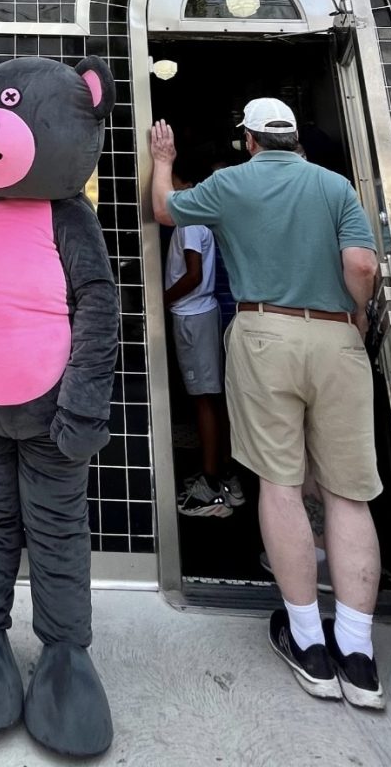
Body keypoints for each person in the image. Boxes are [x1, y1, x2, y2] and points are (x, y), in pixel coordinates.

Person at [151, 98, 384, 711]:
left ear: (249, 139)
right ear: (294, 138)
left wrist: (161, 159)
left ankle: (308, 642)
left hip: (262, 331)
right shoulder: (335, 186)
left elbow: (163, 209)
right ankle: (357, 656)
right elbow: (362, 263)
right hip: (336, 335)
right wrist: (356, 316)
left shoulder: (231, 182)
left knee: (280, 485)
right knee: (348, 493)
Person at [164, 162, 243, 517]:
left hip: (193, 316)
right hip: (200, 314)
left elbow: (193, 275)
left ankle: (212, 485)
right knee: (210, 398)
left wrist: (161, 300)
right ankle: (224, 476)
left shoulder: (189, 220)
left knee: (204, 400)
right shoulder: (197, 219)